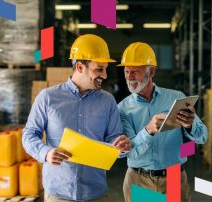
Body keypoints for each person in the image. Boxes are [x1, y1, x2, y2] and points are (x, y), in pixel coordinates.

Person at [22, 34, 131, 202]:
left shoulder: (108, 101)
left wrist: (120, 145)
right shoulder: (48, 97)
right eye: (99, 69)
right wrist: (46, 153)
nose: (105, 75)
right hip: (58, 193)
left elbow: (113, 138)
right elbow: (29, 134)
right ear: (80, 67)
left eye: (105, 69)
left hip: (96, 193)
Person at [117, 42, 208, 202]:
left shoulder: (176, 97)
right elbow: (130, 152)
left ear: (151, 71)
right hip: (140, 179)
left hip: (174, 177)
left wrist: (190, 125)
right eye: (126, 71)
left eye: (135, 72)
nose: (129, 77)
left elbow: (203, 137)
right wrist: (148, 130)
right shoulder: (122, 109)